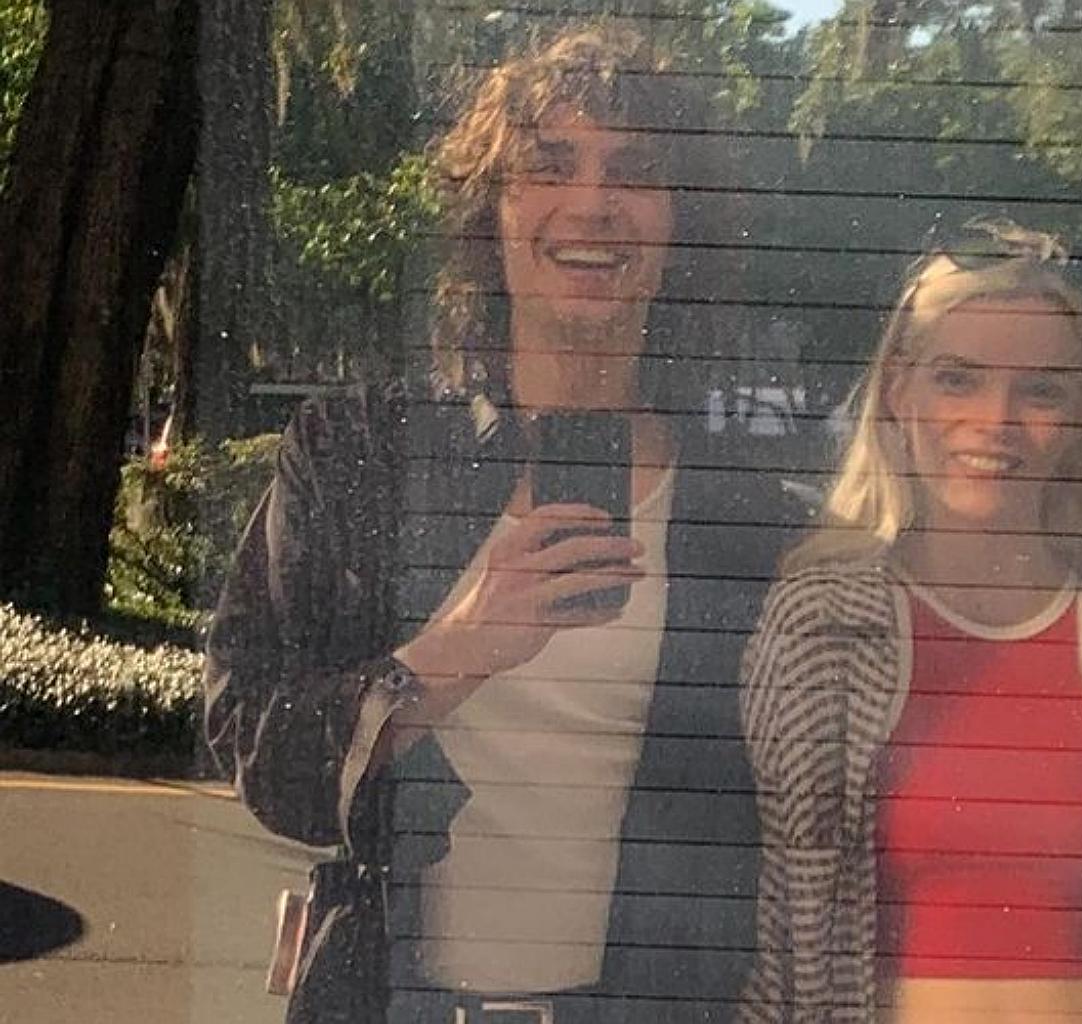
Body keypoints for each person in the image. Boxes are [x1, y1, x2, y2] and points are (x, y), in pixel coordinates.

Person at [204, 24, 807, 1024]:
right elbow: (260, 753)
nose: (593, 202)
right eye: (549, 166)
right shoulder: (359, 453)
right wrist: (452, 651)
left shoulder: (747, 519)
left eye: (635, 172)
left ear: (680, 225)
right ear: (491, 213)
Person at [736, 218, 1082, 1023]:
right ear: (900, 392)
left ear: (1078, 416)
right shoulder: (820, 628)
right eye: (959, 380)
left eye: (1040, 390)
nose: (995, 420)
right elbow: (780, 955)